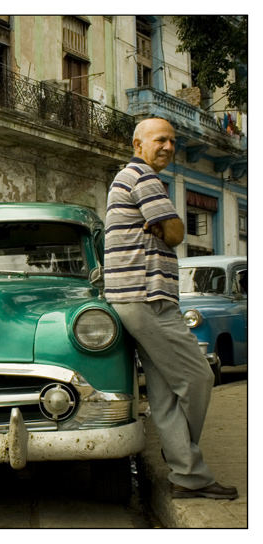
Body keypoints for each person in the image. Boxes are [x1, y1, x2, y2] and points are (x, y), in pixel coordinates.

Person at [104, 117, 237, 500]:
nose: (167, 147)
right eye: (160, 139)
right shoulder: (141, 176)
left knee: (163, 395)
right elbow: (178, 233)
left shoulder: (130, 178)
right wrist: (166, 226)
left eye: (172, 141)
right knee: (199, 377)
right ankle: (185, 460)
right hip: (147, 298)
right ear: (137, 144)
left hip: (137, 299)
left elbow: (171, 229)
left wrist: (164, 226)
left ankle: (186, 473)